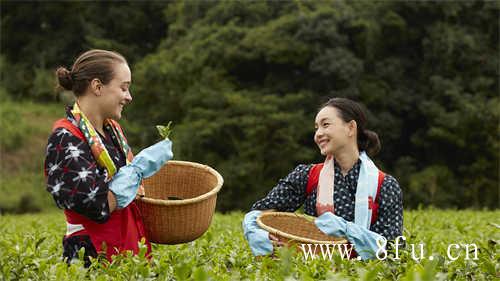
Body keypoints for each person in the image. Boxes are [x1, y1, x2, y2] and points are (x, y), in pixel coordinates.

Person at [44, 49, 173, 266]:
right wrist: (134, 173)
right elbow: (95, 205)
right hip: (92, 253)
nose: (128, 97)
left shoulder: (113, 132)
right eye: (123, 88)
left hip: (128, 246)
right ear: (97, 86)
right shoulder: (65, 137)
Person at [242, 97, 403, 260]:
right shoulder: (306, 175)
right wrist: (264, 239)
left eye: (325, 125)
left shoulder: (385, 185)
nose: (318, 134)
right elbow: (259, 215)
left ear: (350, 127)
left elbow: (393, 249)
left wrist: (345, 229)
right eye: (316, 128)